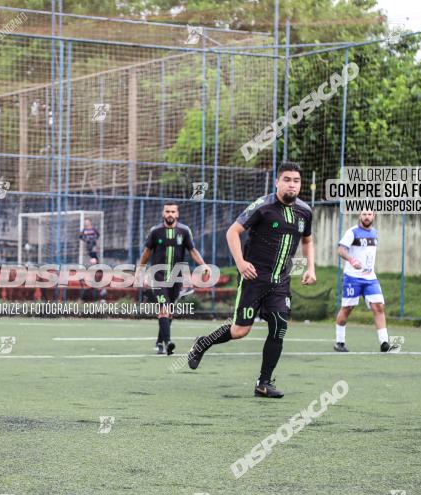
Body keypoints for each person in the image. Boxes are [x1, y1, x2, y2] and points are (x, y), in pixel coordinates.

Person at [186, 162, 316, 398]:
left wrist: (310, 268)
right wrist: (240, 262)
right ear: (277, 182)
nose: (292, 184)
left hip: (280, 281)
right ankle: (203, 343)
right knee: (239, 331)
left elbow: (307, 240)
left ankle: (263, 383)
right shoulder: (263, 206)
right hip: (254, 278)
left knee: (279, 326)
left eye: (296, 181)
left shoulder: (305, 211)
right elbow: (232, 232)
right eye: (287, 179)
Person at [136, 202, 208, 355]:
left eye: (172, 211)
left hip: (176, 278)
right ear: (163, 214)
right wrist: (140, 270)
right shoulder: (155, 232)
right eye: (167, 211)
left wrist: (203, 265)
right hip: (158, 277)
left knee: (169, 312)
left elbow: (193, 251)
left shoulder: (184, 231)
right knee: (164, 309)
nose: (170, 214)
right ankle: (168, 343)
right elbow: (146, 253)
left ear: (177, 214)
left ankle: (159, 343)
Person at [333, 209, 398, 352]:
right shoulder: (352, 232)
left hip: (370, 278)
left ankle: (384, 343)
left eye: (369, 214)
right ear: (359, 216)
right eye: (364, 214)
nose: (367, 217)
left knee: (378, 307)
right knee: (348, 308)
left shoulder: (374, 233)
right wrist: (351, 260)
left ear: (373, 216)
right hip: (352, 277)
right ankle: (339, 342)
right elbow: (341, 250)